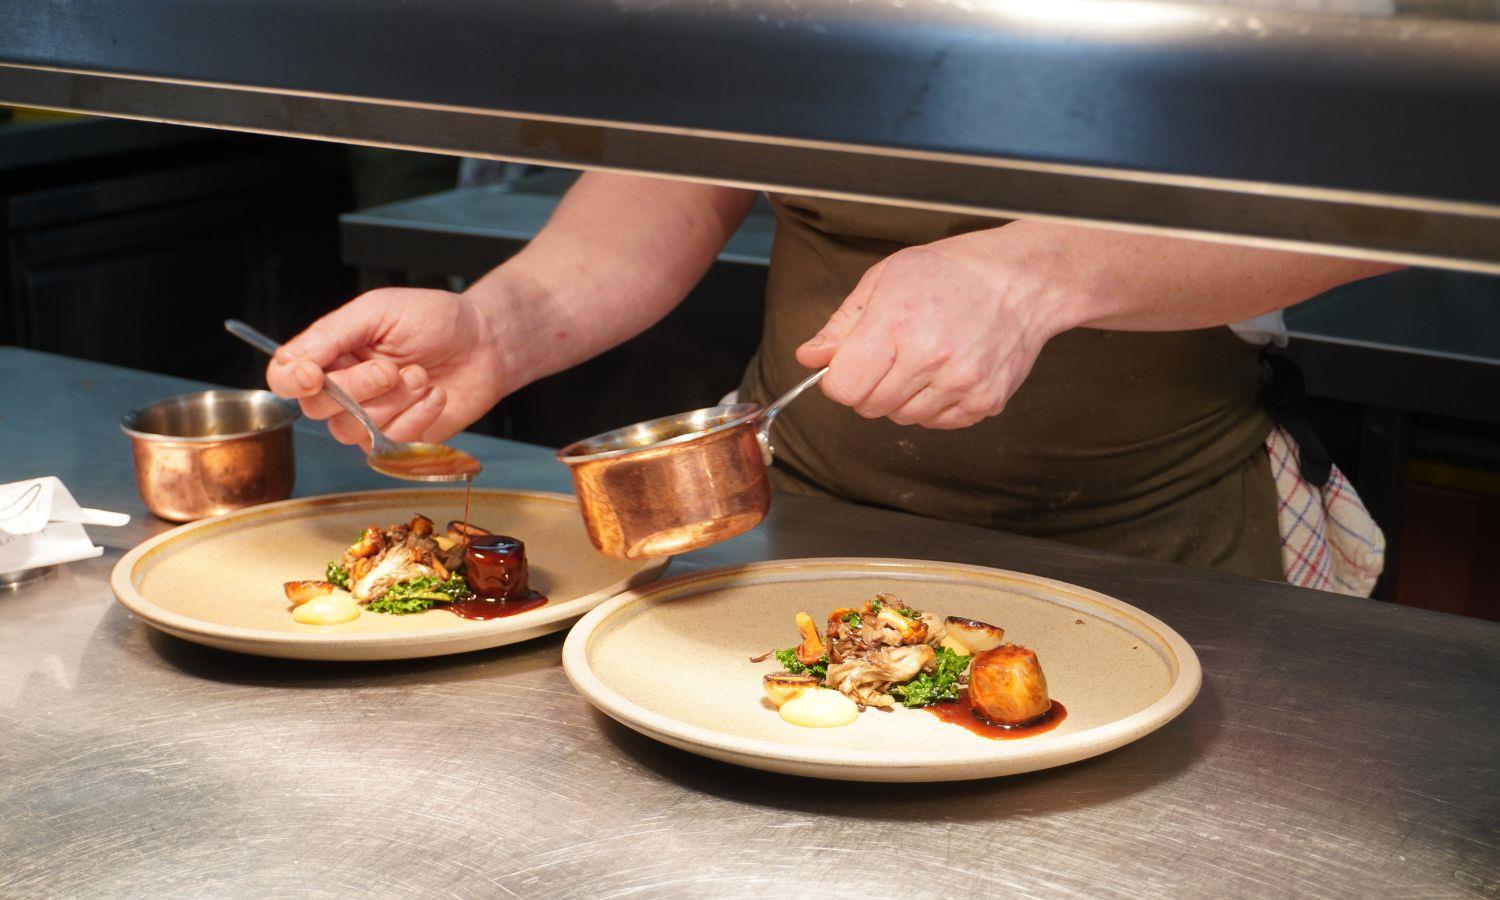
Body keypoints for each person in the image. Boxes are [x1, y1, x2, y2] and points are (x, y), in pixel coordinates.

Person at [266, 173, 1396, 580]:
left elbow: (1395, 185)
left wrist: (1039, 275)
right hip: (794, 516)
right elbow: (686, 161)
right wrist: (501, 326)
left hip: (1158, 542)